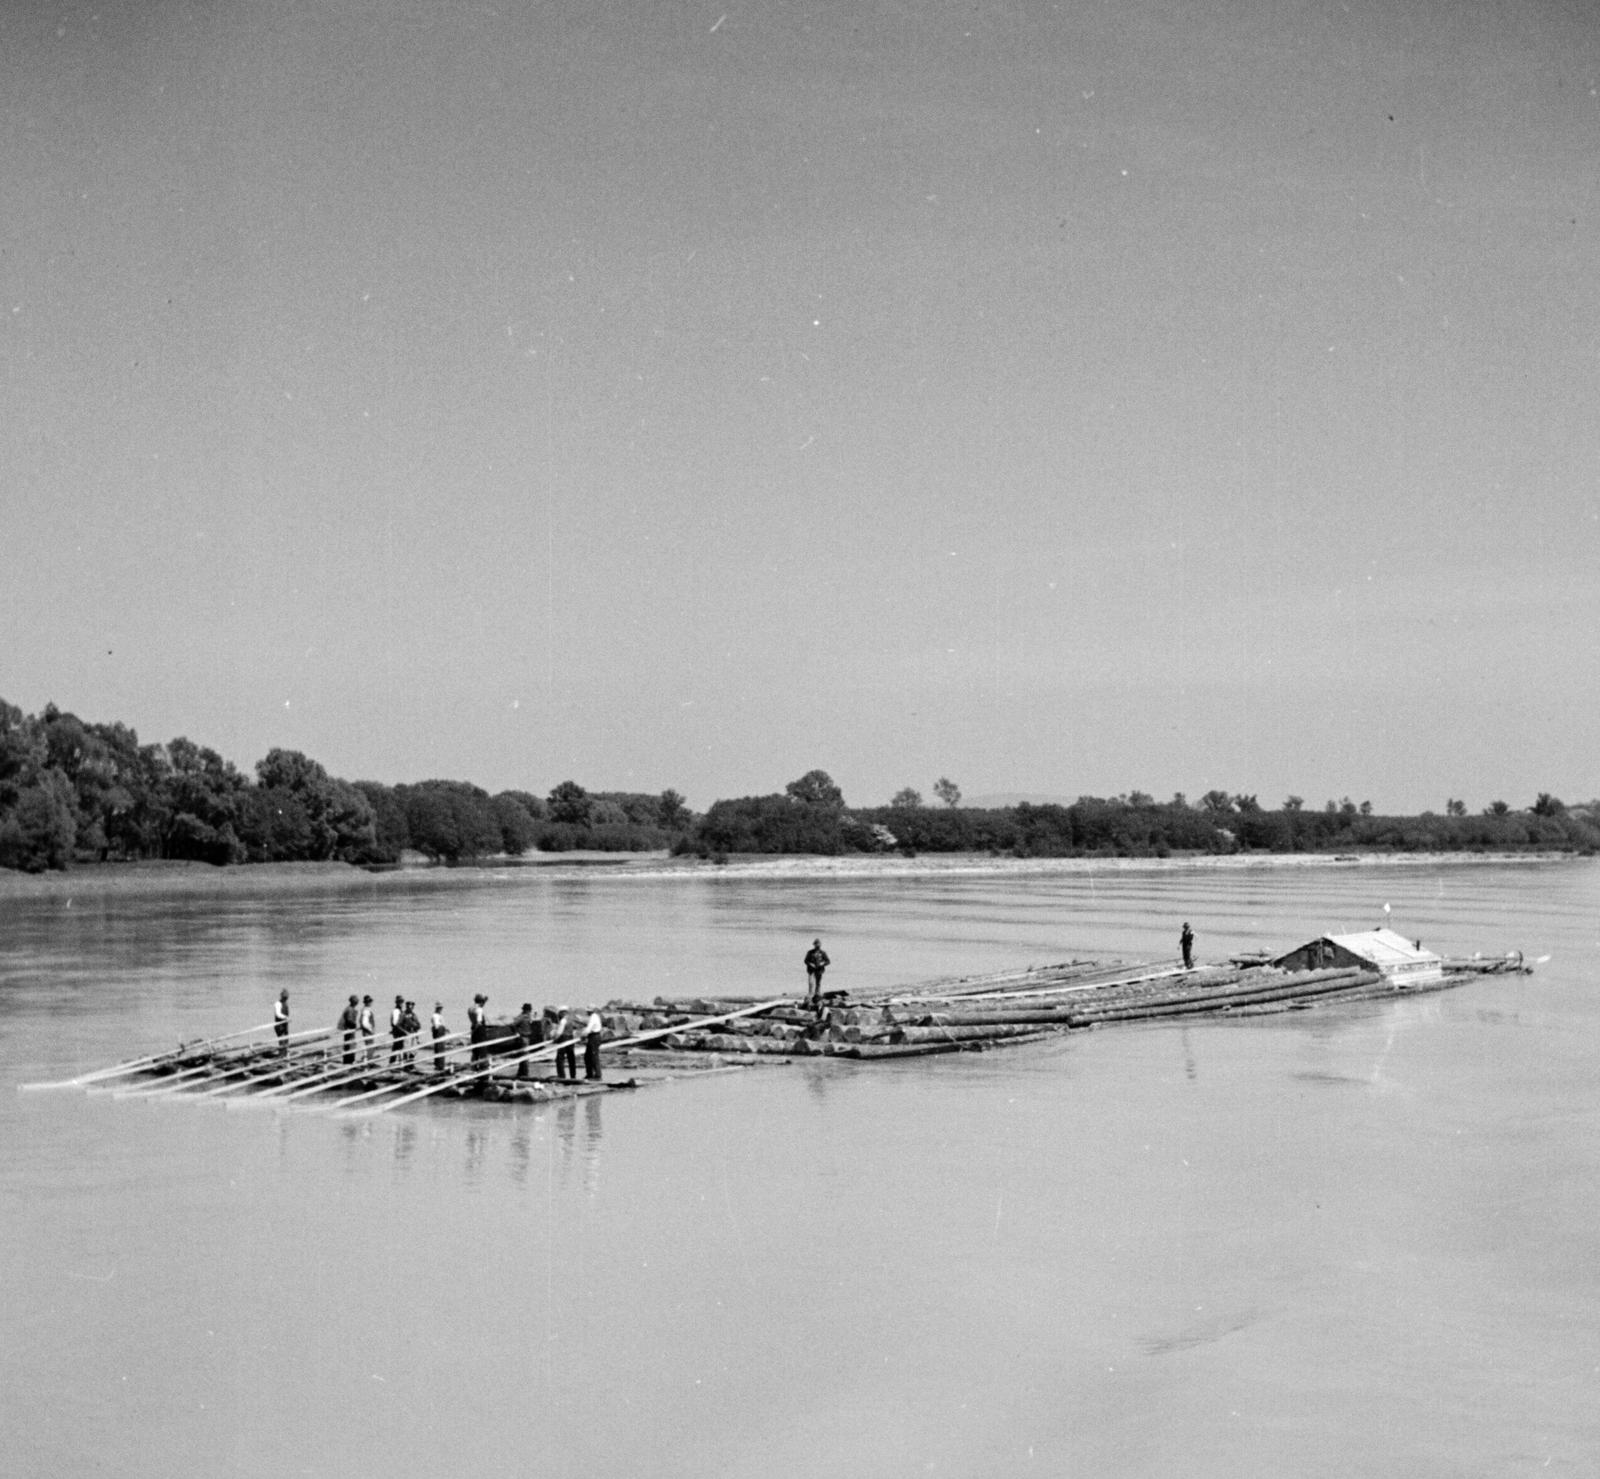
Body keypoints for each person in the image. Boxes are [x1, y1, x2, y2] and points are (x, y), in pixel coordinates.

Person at [512, 1002, 538, 1079]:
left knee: (523, 1056)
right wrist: (517, 1033)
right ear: (527, 1010)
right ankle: (525, 1074)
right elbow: (513, 1024)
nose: (530, 1011)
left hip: (527, 1037)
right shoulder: (522, 1017)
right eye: (529, 1010)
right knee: (525, 1056)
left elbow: (531, 1021)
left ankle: (521, 1073)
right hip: (523, 1037)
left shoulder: (527, 1016)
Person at [552, 1005, 577, 1082]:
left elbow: (559, 1032)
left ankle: (561, 1075)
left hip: (563, 1039)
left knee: (560, 1058)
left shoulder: (563, 1021)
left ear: (562, 1013)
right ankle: (573, 1075)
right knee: (571, 1057)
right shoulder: (571, 1020)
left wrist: (555, 1039)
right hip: (571, 1038)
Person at [804, 939, 830, 1006]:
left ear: (820, 945)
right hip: (811, 970)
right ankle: (810, 994)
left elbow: (828, 961)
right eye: (816, 944)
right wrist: (810, 964)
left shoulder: (823, 953)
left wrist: (822, 963)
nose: (817, 945)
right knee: (811, 982)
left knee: (818, 983)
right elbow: (806, 961)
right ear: (814, 945)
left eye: (818, 944)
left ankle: (817, 994)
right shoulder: (810, 952)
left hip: (819, 970)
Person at [583, 1007, 604, 1082]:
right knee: (587, 1056)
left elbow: (588, 1029)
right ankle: (590, 1074)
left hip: (594, 1037)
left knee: (594, 1056)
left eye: (587, 1011)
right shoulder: (595, 1016)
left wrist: (583, 1035)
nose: (587, 1012)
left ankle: (597, 1075)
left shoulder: (593, 1017)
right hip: (593, 1037)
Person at [337, 995, 360, 1065]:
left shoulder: (349, 1008)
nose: (357, 1003)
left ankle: (348, 1061)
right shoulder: (350, 1009)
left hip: (348, 1030)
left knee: (349, 1045)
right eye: (356, 1001)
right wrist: (355, 1025)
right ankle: (349, 1061)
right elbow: (349, 1020)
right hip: (349, 1030)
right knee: (350, 1045)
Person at [468, 994, 488, 1068]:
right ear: (481, 1001)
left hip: (473, 1027)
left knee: (475, 1050)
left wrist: (473, 1031)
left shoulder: (470, 1008)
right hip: (479, 1030)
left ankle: (474, 1066)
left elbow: (473, 1020)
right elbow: (479, 1022)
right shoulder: (479, 1009)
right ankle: (483, 1066)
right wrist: (475, 1030)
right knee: (482, 1049)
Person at [400, 1000, 421, 1067]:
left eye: (412, 1006)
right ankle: (406, 1066)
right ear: (406, 1006)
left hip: (413, 1034)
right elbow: (398, 1025)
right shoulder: (403, 1014)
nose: (410, 1008)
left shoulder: (414, 1015)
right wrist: (404, 1032)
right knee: (406, 1050)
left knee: (414, 1050)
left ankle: (411, 1064)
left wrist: (417, 1037)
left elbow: (418, 1025)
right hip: (407, 1034)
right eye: (409, 1006)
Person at [431, 1002, 448, 1073]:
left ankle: (441, 1064)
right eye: (439, 1008)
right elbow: (436, 1026)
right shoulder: (435, 1015)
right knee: (439, 1048)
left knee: (441, 1048)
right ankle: (439, 1065)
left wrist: (446, 1029)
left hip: (441, 1032)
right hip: (438, 1033)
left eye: (441, 1008)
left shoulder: (440, 1015)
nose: (440, 1009)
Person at [359, 994, 376, 1064]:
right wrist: (371, 1029)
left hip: (367, 1031)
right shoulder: (366, 1010)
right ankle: (368, 1061)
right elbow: (364, 1023)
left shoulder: (366, 1009)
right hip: (367, 1031)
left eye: (370, 1001)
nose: (370, 1003)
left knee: (370, 1046)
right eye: (369, 1001)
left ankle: (368, 1060)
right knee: (370, 1046)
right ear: (366, 1002)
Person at [389, 994, 405, 1065]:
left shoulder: (400, 1011)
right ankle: (397, 1063)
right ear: (397, 1002)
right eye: (400, 1002)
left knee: (397, 1047)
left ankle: (394, 1062)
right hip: (398, 1032)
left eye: (402, 1002)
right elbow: (395, 1023)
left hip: (400, 1031)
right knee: (398, 1047)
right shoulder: (396, 1011)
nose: (401, 1003)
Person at [274, 989, 290, 1056]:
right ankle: (281, 1055)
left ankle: (285, 1054)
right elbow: (278, 1014)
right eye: (284, 997)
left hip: (285, 1025)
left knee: (286, 1040)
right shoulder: (278, 1004)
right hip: (279, 1025)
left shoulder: (285, 1004)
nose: (285, 999)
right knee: (281, 1041)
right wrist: (285, 1017)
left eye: (286, 997)